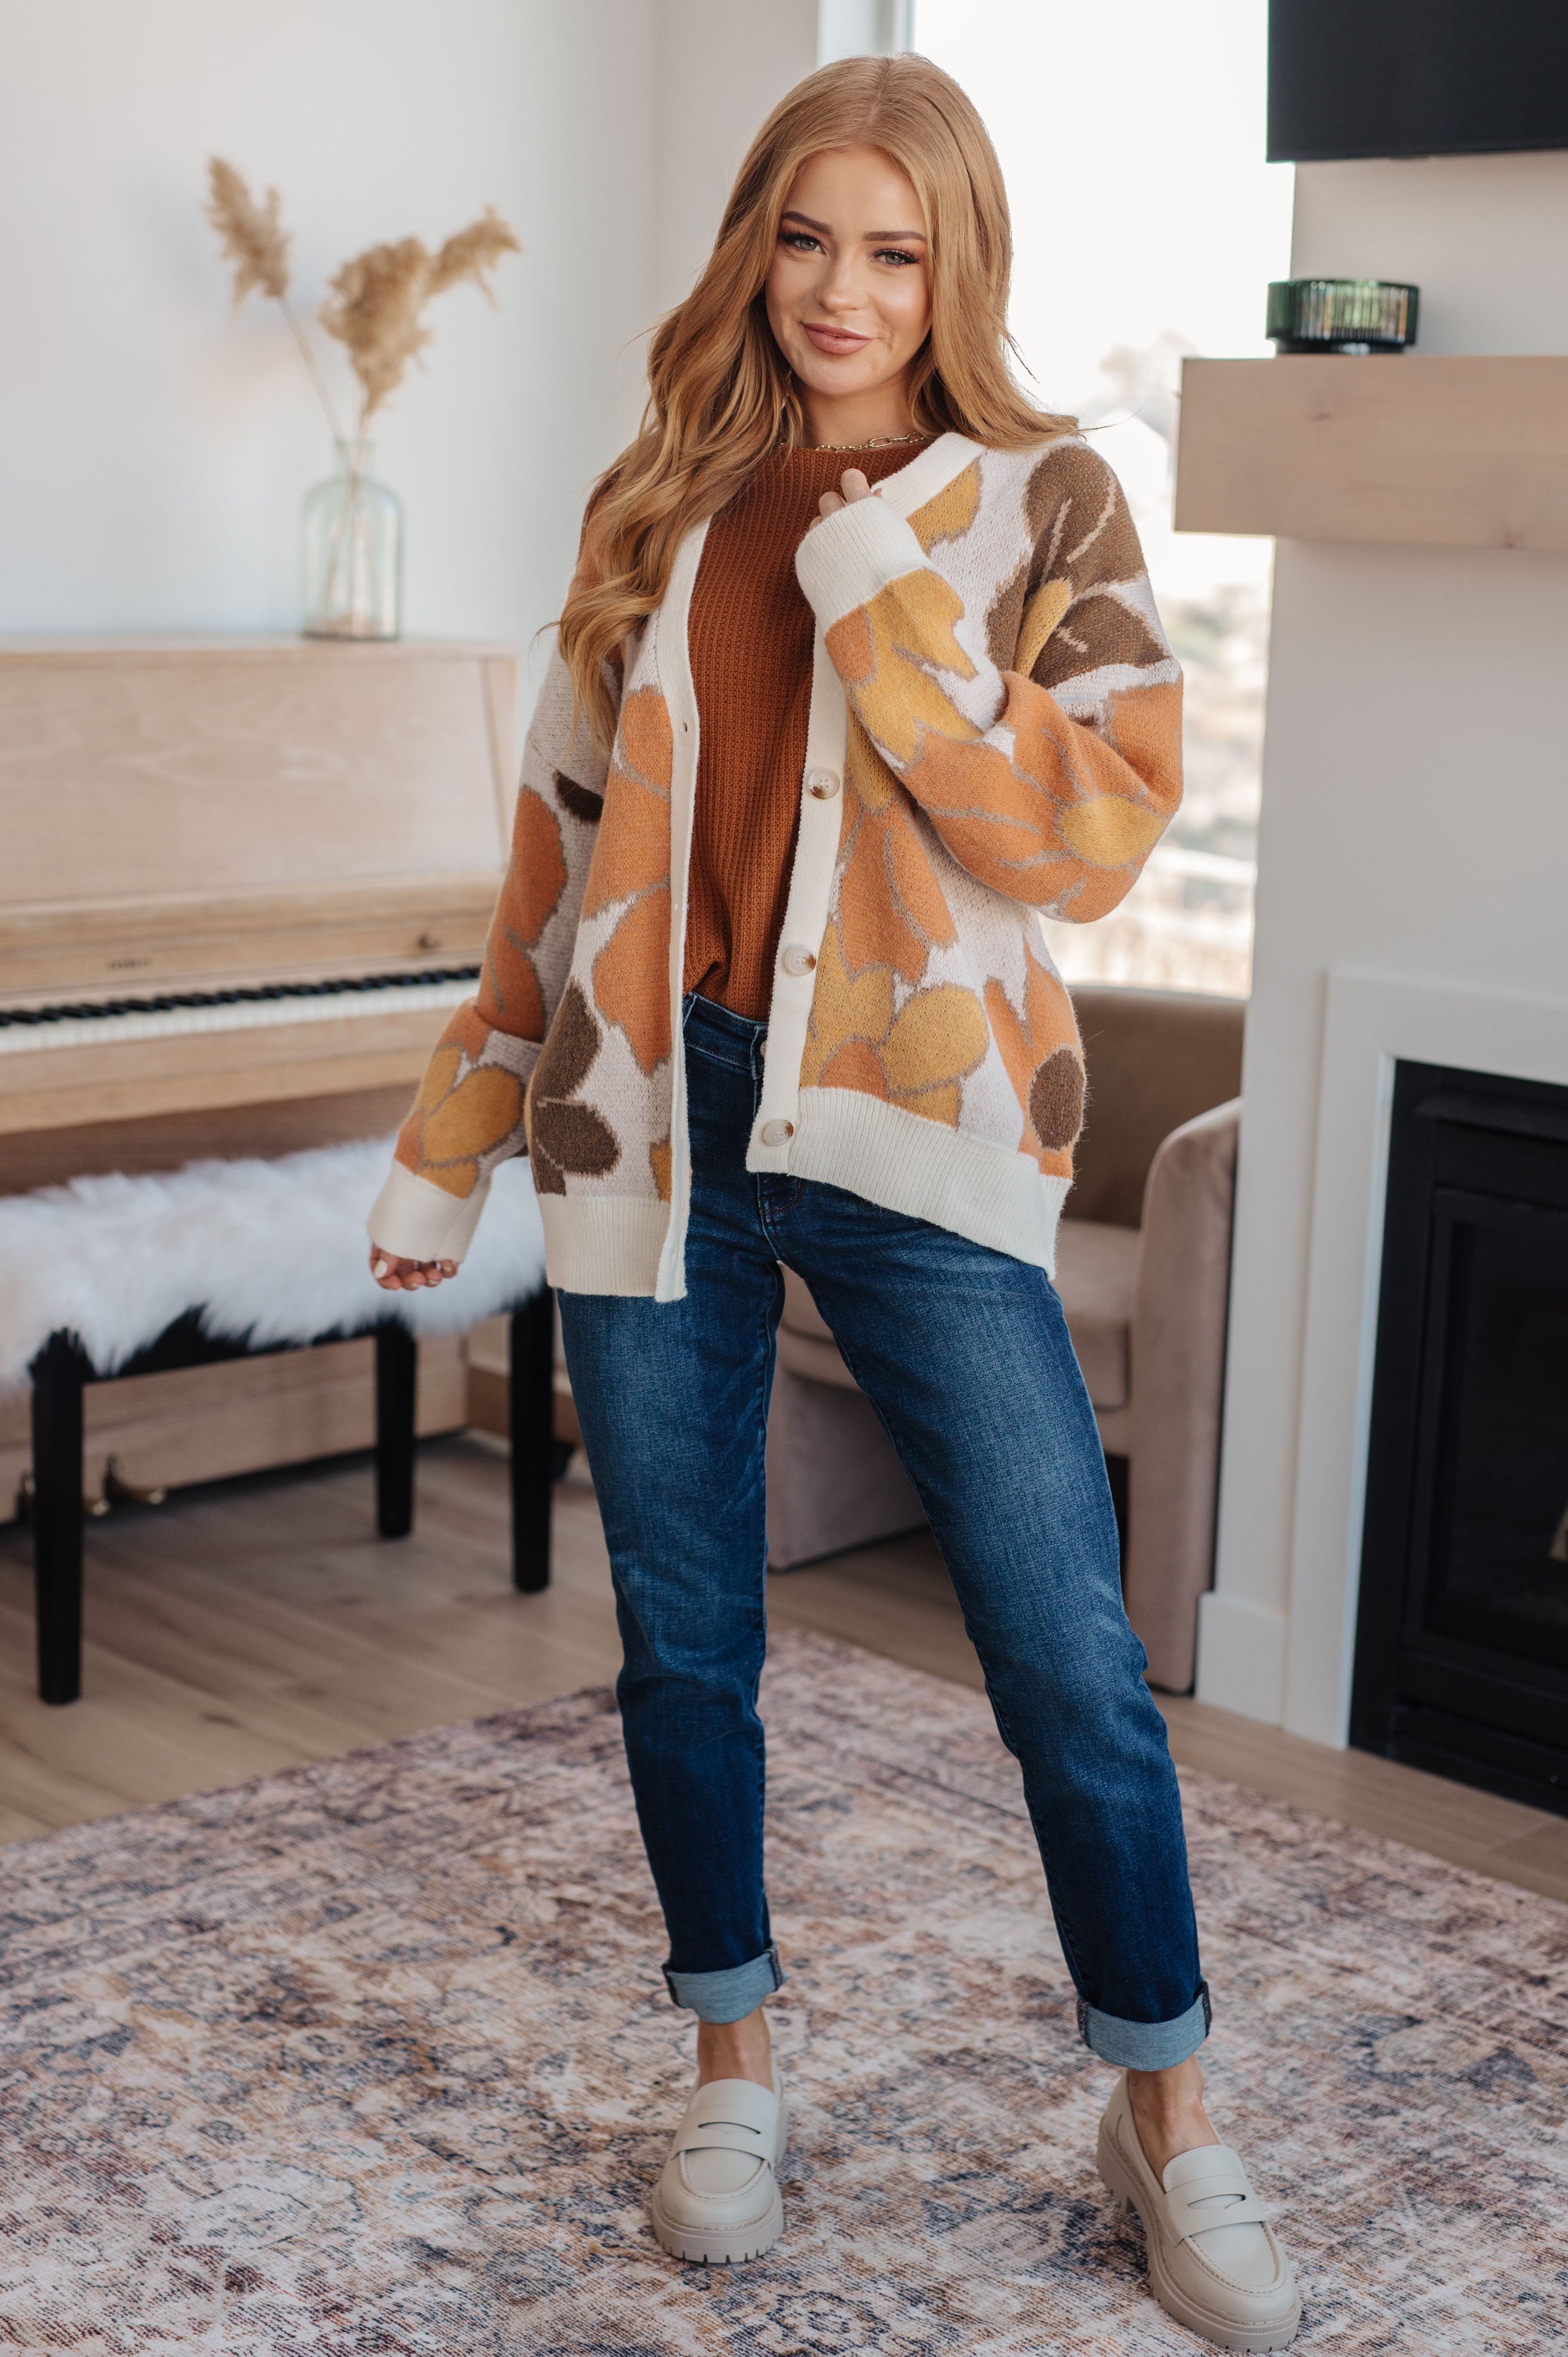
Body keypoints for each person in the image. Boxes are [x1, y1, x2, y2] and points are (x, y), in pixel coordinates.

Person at [368, 53, 1298, 2351]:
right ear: (754, 246)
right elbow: (556, 849)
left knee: (1067, 1657)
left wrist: (877, 582)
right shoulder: (659, 497)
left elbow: (1083, 839)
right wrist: (460, 1129)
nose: (841, 290)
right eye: (805, 237)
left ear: (957, 266)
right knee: (684, 1644)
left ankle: (1166, 2112)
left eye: (894, 249)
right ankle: (734, 2064)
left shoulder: (1046, 500)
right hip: (657, 1129)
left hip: (916, 1148)